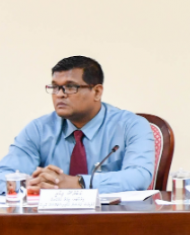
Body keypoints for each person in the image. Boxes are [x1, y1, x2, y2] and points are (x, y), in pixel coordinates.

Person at [0, 56, 155, 192]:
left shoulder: (131, 126)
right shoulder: (39, 129)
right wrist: (28, 184)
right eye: (55, 87)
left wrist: (77, 183)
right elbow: (4, 176)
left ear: (97, 92)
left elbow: (139, 176)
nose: (60, 94)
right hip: (52, 216)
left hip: (114, 215)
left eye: (70, 87)